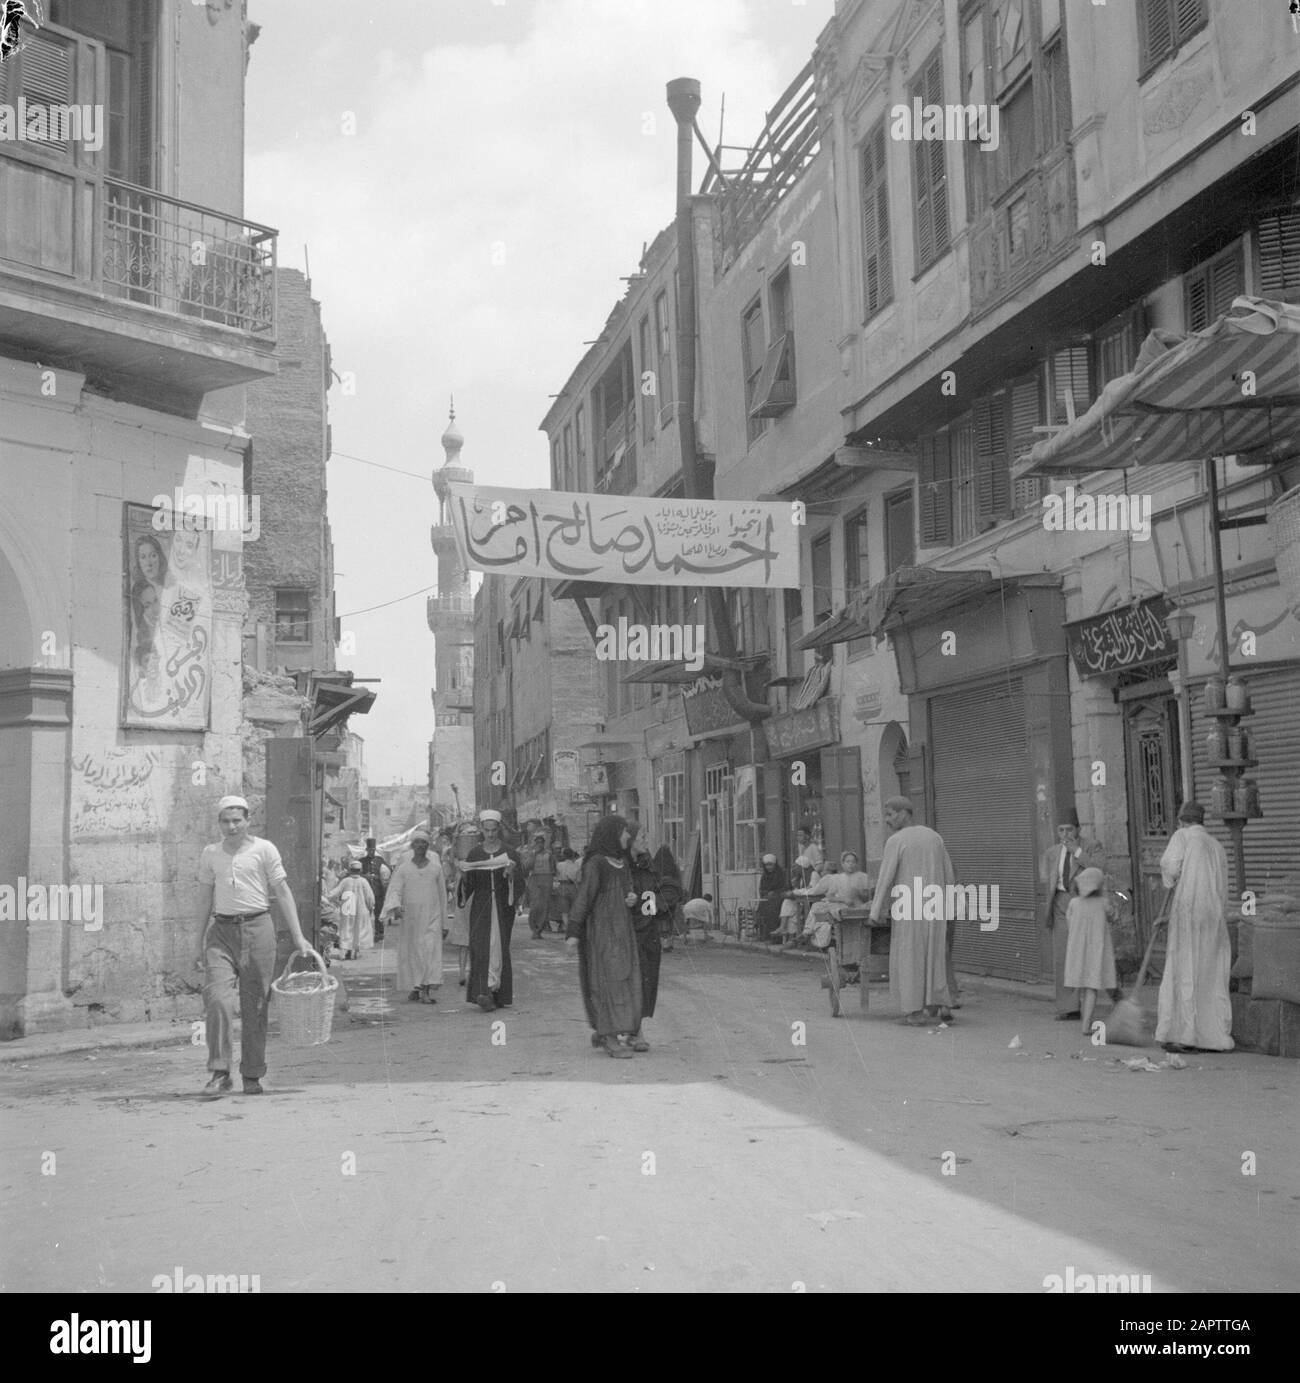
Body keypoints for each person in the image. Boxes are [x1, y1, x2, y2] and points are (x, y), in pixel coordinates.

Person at [193, 795, 311, 1096]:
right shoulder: (210, 854)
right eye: (225, 821)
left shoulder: (264, 849)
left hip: (259, 930)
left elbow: (282, 892)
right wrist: (196, 942)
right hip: (221, 932)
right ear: (218, 823)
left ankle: (252, 1074)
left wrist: (298, 936)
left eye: (237, 820)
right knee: (218, 999)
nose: (231, 827)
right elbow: (204, 898)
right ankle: (220, 1072)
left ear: (248, 821)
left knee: (255, 1005)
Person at [869, 796, 956, 1026]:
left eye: (889, 814)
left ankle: (913, 1012)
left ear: (904, 813)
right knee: (934, 955)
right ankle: (937, 1003)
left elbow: (885, 877)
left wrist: (875, 911)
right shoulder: (934, 837)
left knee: (909, 957)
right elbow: (949, 874)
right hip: (935, 906)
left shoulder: (896, 840)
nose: (887, 820)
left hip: (908, 907)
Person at [1156, 801, 1233, 1053]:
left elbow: (1170, 866)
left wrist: (1171, 879)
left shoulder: (1182, 836)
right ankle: (1212, 1036)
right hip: (1213, 915)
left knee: (1184, 967)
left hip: (1189, 911)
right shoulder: (1216, 846)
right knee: (1208, 972)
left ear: (1182, 821)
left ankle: (1184, 1035)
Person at [566, 816, 642, 1057]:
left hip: (623, 931)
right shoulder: (596, 863)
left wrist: (632, 897)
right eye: (623, 832)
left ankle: (609, 1031)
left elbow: (629, 888)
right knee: (605, 981)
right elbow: (584, 898)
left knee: (625, 979)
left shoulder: (622, 863)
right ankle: (609, 1036)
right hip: (602, 932)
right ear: (612, 834)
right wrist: (573, 932)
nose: (628, 837)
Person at [1040, 807, 1104, 1020]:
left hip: (1083, 904)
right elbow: (1048, 881)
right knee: (1062, 956)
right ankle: (1068, 1007)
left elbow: (1099, 869)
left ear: (1078, 829)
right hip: (1060, 903)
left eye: (1069, 830)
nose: (1065, 835)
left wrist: (1077, 851)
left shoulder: (1092, 847)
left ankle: (1087, 1004)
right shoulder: (1052, 853)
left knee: (1084, 954)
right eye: (1061, 830)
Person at [456, 810, 524, 1012]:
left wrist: (511, 875)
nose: (491, 834)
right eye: (487, 830)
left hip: (503, 907)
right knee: (480, 946)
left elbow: (520, 883)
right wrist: (464, 875)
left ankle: (497, 992)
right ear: (482, 831)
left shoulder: (510, 853)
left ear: (499, 830)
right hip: (481, 907)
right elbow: (469, 886)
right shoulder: (475, 853)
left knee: (499, 947)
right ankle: (483, 992)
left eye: (494, 830)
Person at [628, 835, 681, 1050]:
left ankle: (635, 1029)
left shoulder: (648, 865)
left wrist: (651, 906)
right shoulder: (616, 865)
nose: (645, 841)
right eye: (639, 836)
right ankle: (624, 1030)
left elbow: (668, 888)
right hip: (620, 931)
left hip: (646, 933)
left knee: (644, 980)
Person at [381, 830, 446, 1003]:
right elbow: (394, 889)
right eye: (417, 842)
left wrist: (444, 924)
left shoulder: (436, 868)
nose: (420, 846)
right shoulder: (404, 869)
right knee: (414, 953)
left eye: (423, 843)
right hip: (411, 920)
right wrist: (395, 907)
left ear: (427, 845)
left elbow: (443, 896)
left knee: (429, 952)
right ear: (412, 845)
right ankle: (416, 988)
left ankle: (425, 991)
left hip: (432, 917)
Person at [1064, 866, 1118, 1038]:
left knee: (1083, 985)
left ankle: (1086, 1024)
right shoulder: (1103, 903)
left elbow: (1069, 923)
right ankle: (1087, 1024)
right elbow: (1113, 917)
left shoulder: (1073, 903)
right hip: (1097, 951)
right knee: (1092, 987)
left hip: (1078, 951)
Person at [797, 851, 873, 950]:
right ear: (842, 864)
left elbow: (870, 895)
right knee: (817, 907)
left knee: (828, 913)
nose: (850, 864)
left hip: (857, 906)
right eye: (847, 861)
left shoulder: (863, 877)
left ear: (856, 864)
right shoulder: (837, 878)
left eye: (853, 862)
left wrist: (859, 894)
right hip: (841, 904)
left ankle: (811, 934)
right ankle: (808, 934)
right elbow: (830, 896)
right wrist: (842, 899)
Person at [444, 823, 478, 986]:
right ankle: (461, 973)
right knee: (463, 942)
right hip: (462, 905)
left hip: (474, 903)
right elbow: (451, 859)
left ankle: (472, 971)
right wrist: (455, 840)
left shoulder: (477, 863)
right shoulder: (458, 866)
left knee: (473, 941)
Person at [328, 859, 375, 960]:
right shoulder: (364, 881)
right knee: (358, 930)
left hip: (347, 909)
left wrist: (326, 897)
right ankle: (355, 952)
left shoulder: (345, 881)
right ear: (360, 870)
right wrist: (371, 908)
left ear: (350, 870)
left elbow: (334, 893)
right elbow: (370, 898)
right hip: (361, 910)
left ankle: (345, 952)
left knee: (346, 930)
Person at [651, 842, 684, 950]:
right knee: (670, 917)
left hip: (659, 895)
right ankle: (669, 942)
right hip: (672, 895)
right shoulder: (674, 867)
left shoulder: (654, 866)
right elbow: (679, 881)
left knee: (658, 918)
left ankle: (661, 940)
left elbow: (650, 880)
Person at [523, 832, 555, 939]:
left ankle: (539, 930)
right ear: (535, 843)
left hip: (547, 879)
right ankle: (534, 928)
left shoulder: (549, 854)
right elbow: (526, 867)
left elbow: (553, 868)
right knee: (535, 905)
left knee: (544, 906)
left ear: (544, 843)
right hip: (534, 879)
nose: (540, 844)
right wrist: (534, 855)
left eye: (541, 842)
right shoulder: (531, 853)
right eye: (538, 842)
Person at [359, 838, 391, 940]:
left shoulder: (380, 860)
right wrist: (365, 876)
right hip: (366, 890)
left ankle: (379, 933)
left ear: (375, 849)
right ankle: (365, 934)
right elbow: (356, 873)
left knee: (379, 912)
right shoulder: (362, 861)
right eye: (369, 850)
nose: (371, 851)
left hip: (378, 891)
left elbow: (388, 871)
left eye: (372, 850)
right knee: (365, 913)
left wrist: (381, 878)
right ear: (367, 850)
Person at [755, 854, 787, 944]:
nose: (769, 867)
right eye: (767, 865)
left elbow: (785, 888)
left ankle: (775, 938)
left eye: (770, 864)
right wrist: (767, 894)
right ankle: (764, 936)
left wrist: (775, 893)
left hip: (779, 899)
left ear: (775, 864)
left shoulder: (781, 874)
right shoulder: (764, 876)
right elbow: (761, 889)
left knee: (772, 912)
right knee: (763, 911)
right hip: (767, 900)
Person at [553, 847, 580, 934]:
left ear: (564, 855)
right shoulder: (576, 866)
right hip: (573, 887)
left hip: (562, 887)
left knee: (565, 911)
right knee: (573, 909)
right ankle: (573, 928)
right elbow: (578, 879)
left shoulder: (559, 865)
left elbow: (556, 874)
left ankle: (568, 928)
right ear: (572, 855)